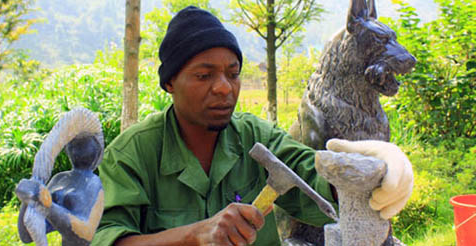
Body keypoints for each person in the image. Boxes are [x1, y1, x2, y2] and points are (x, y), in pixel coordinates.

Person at [91, 6, 413, 246]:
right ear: (170, 83)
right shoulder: (131, 154)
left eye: (233, 74)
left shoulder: (256, 138)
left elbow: (310, 175)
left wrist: (371, 167)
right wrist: (196, 234)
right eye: (204, 75)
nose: (223, 88)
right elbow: (106, 238)